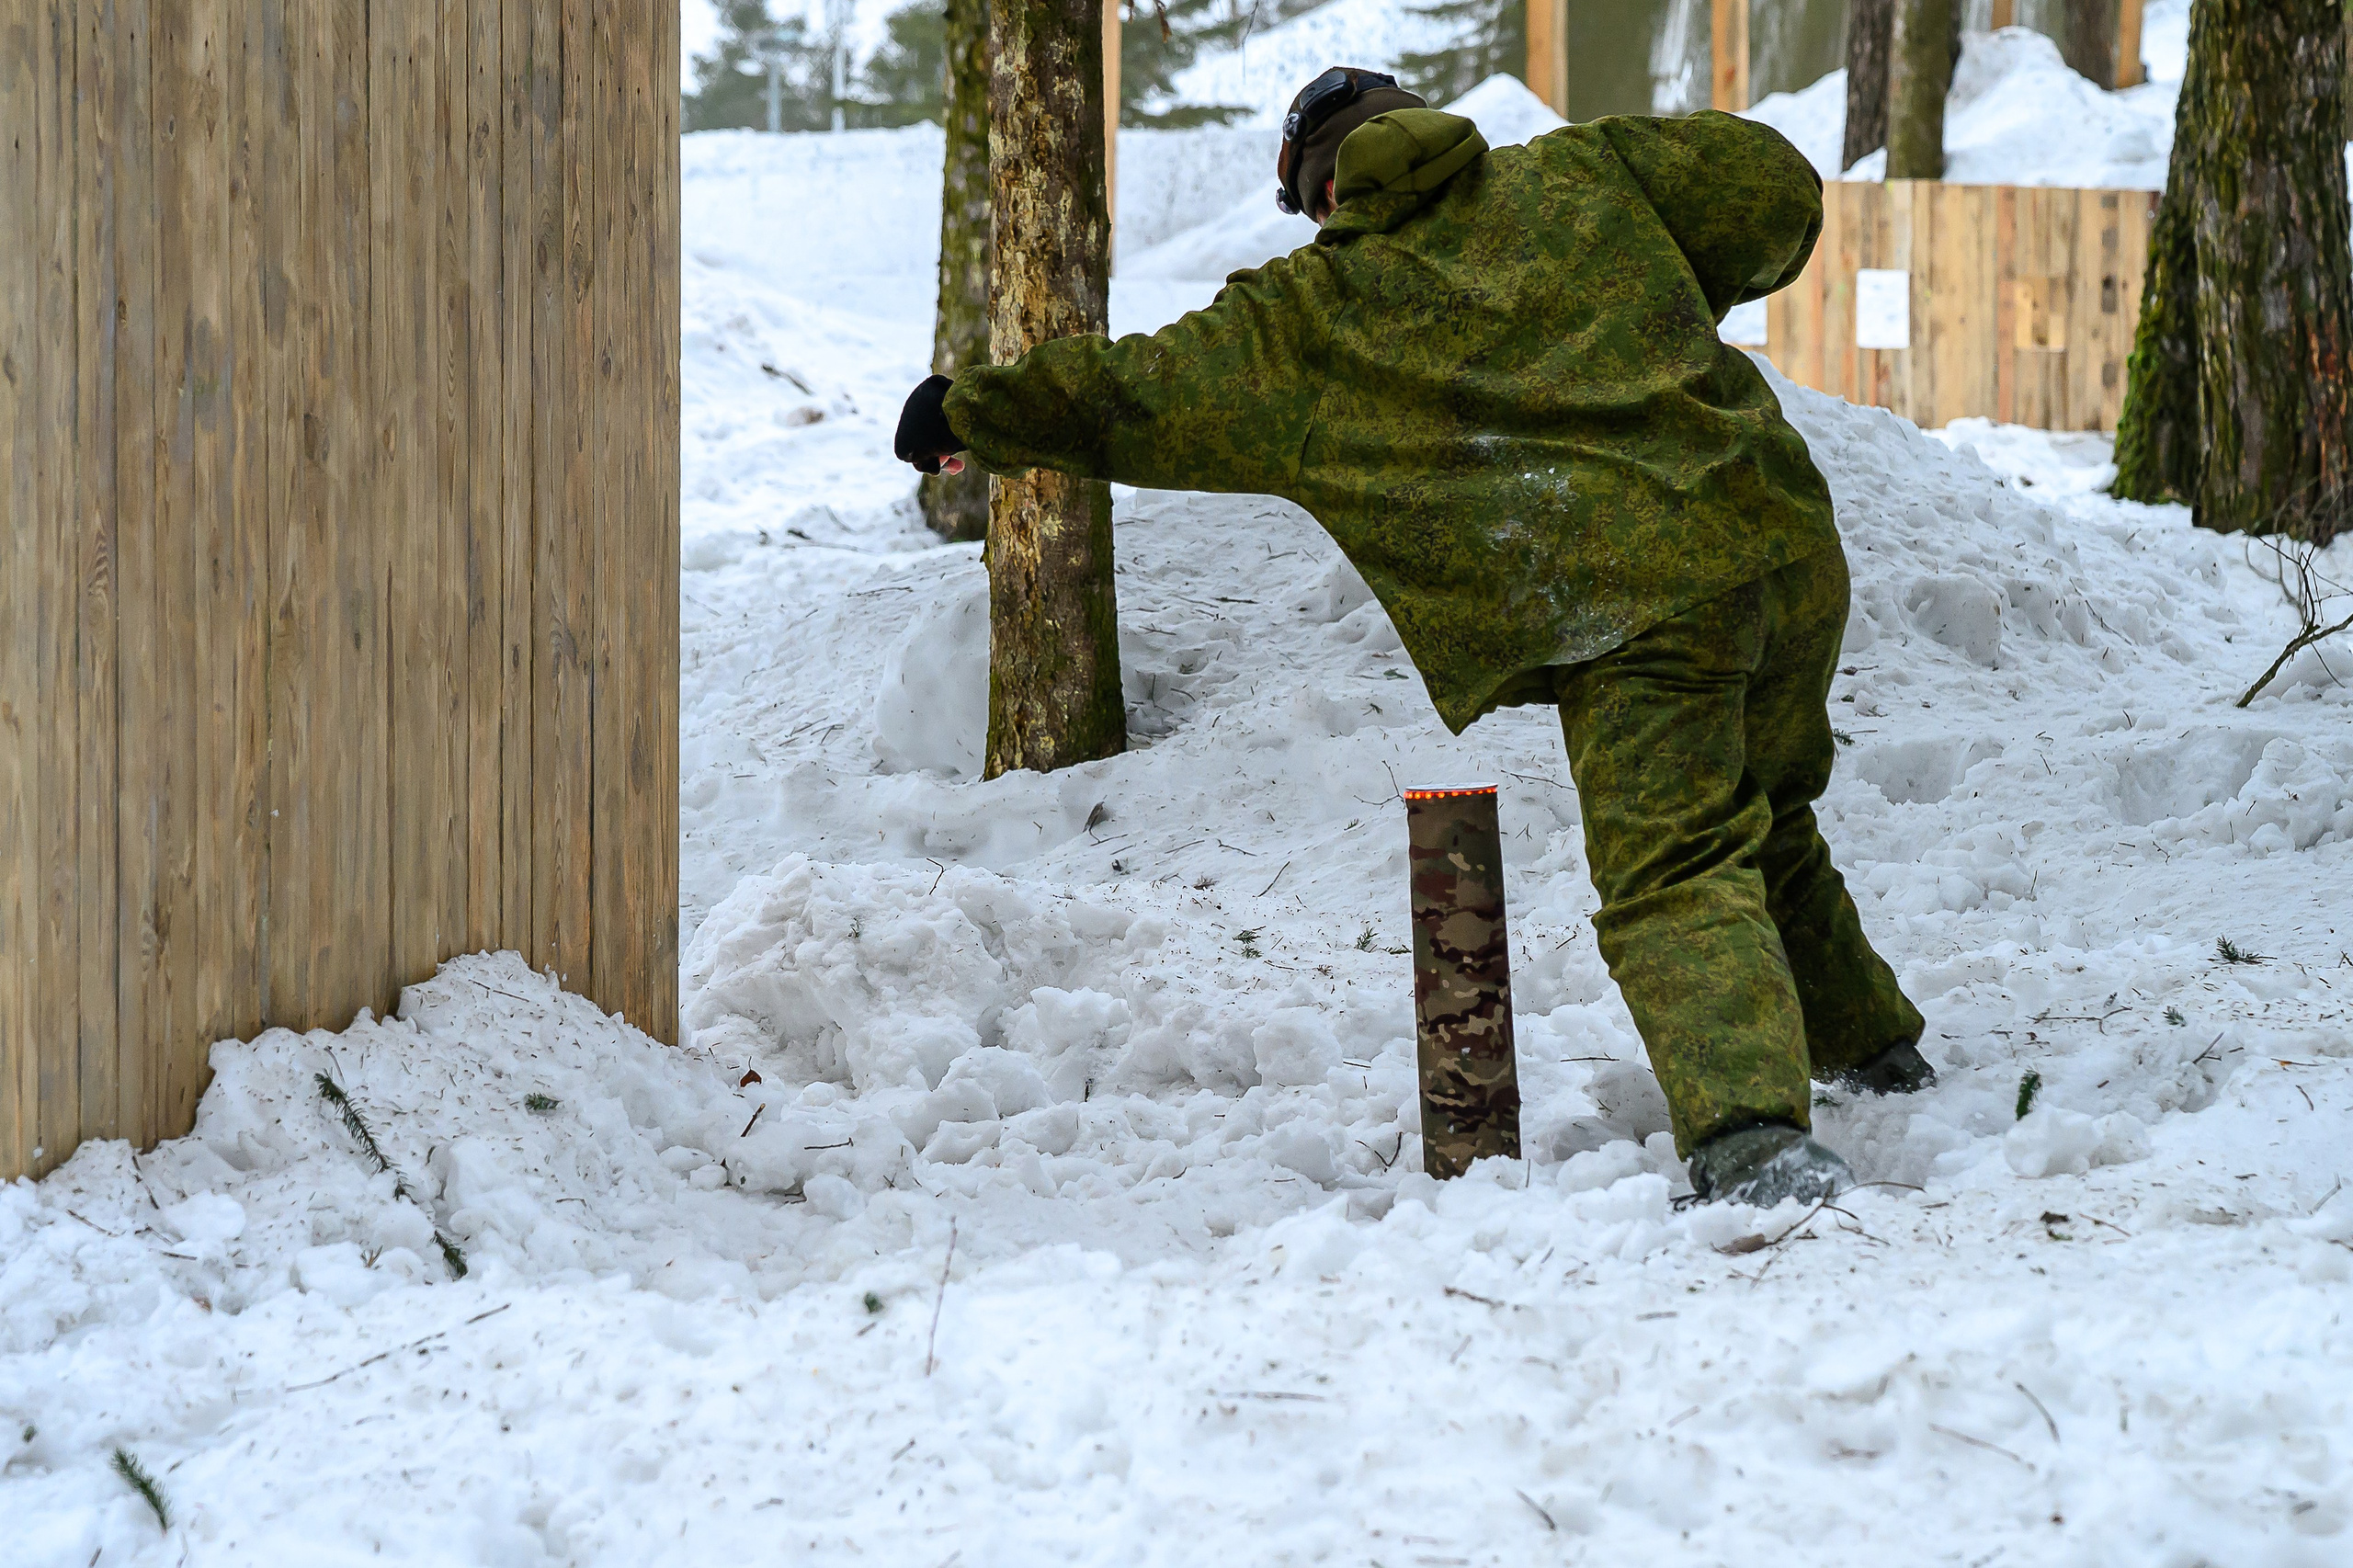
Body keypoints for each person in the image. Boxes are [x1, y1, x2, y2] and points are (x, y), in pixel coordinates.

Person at [892, 67, 1932, 1206]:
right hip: (1779, 536)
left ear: (1321, 192)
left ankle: (1752, 1143)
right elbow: (1768, 183)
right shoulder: (1585, 173)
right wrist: (1671, 286)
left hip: (1634, 599)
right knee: (1762, 810)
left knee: (1675, 859)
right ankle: (1870, 1047)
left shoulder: (1315, 314)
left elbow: (1135, 392)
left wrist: (968, 410)